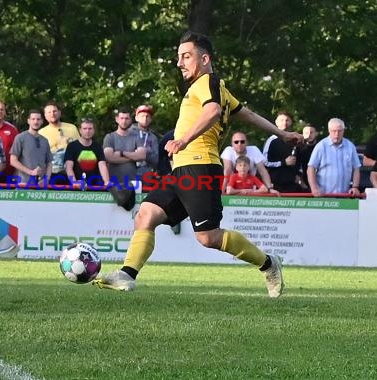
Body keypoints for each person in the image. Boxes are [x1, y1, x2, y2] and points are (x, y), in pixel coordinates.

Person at [92, 31, 303, 298]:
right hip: (182, 169)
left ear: (204, 58)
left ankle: (269, 263)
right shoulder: (217, 87)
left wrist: (183, 140)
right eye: (179, 57)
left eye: (186, 56)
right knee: (145, 214)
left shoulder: (207, 81)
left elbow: (213, 111)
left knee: (208, 237)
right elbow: (246, 114)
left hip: (200, 166)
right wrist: (282, 133)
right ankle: (127, 275)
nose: (180, 63)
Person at [307, 118, 361, 197]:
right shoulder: (321, 146)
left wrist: (355, 187)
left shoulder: (350, 146)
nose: (337, 134)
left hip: (344, 196)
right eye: (334, 131)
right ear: (329, 130)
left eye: (339, 131)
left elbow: (356, 168)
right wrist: (314, 188)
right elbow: (311, 168)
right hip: (324, 196)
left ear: (343, 130)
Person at [103, 108, 146, 186]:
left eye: (127, 118)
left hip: (132, 182)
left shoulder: (136, 137)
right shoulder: (109, 137)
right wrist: (132, 157)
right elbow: (109, 157)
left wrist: (122, 153)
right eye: (121, 118)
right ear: (117, 119)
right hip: (113, 182)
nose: (124, 121)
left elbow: (142, 155)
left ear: (130, 120)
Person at [262, 111, 304, 192]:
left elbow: (300, 162)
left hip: (292, 185)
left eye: (287, 120)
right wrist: (283, 162)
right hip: (275, 184)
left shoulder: (295, 140)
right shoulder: (271, 140)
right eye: (282, 120)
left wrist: (298, 174)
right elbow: (264, 162)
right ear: (276, 122)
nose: (284, 122)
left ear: (291, 122)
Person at [10, 109, 52, 188]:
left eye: (38, 119)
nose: (36, 122)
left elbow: (49, 163)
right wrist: (31, 172)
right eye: (33, 119)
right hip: (23, 184)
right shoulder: (20, 138)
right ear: (28, 121)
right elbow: (13, 160)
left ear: (42, 121)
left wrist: (47, 179)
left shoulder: (45, 141)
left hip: (41, 186)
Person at [38, 101, 79, 182]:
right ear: (45, 116)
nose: (52, 114)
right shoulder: (41, 133)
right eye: (49, 112)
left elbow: (79, 148)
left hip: (73, 172)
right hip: (52, 173)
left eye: (54, 111)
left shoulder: (72, 128)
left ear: (59, 113)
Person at [64, 118, 110, 188]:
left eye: (90, 128)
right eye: (85, 128)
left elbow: (102, 165)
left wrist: (107, 181)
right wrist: (74, 182)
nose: (87, 131)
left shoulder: (97, 146)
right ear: (80, 130)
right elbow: (68, 167)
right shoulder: (72, 146)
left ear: (94, 130)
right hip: (77, 186)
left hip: (95, 185)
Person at [0, 100, 18, 177]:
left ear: (5, 112)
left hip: (8, 174)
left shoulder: (12, 129)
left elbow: (18, 151)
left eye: (2, 109)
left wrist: (17, 171)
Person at [131, 105, 159, 178]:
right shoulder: (128, 133)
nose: (145, 118)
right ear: (136, 118)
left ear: (151, 119)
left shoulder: (153, 138)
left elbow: (156, 160)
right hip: (128, 170)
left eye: (147, 116)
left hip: (146, 173)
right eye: (142, 116)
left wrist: (146, 153)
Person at [296, 124, 318, 190]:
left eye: (311, 132)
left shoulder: (320, 147)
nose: (309, 135)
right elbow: (296, 166)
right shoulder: (298, 148)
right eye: (306, 133)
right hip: (303, 182)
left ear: (316, 133)